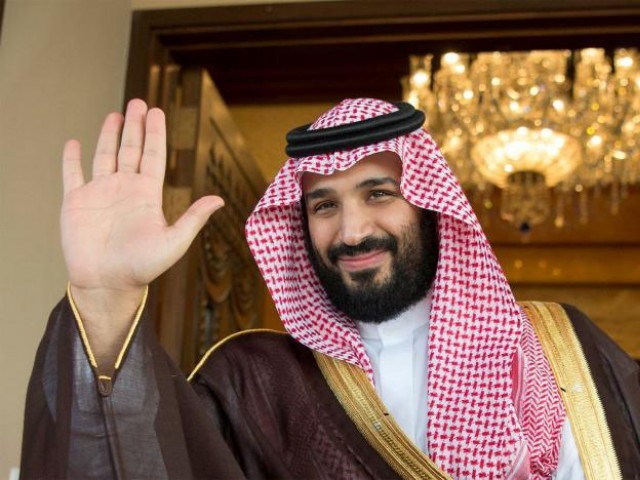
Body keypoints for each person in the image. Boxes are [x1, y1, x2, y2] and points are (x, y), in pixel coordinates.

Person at [21, 98, 639, 479]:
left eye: (379, 194)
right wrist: (106, 295)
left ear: (429, 206)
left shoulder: (558, 346)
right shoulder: (257, 380)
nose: (352, 231)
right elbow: (139, 459)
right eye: (323, 205)